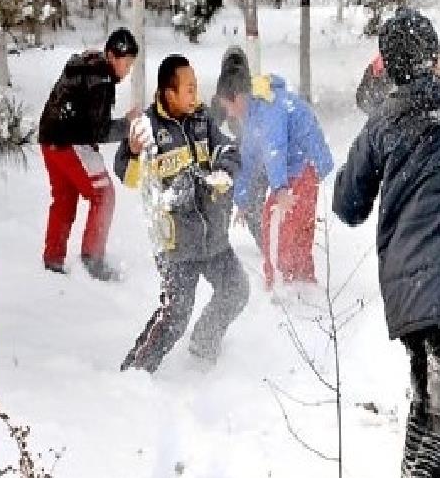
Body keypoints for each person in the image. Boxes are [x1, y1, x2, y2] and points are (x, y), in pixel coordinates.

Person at [332, 7, 440, 478]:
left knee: (429, 404)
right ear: (435, 60)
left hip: (406, 290)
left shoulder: (383, 124)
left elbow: (346, 204)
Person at [115, 55, 249, 372]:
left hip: (212, 235)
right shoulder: (147, 129)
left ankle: (203, 346)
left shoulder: (202, 119)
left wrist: (224, 173)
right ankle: (135, 372)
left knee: (236, 290)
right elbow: (129, 176)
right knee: (176, 313)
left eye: (195, 87)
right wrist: (133, 152)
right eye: (188, 89)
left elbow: (228, 149)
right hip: (175, 244)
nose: (195, 95)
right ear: (168, 92)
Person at [215, 64, 333, 288]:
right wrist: (241, 200)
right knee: (293, 226)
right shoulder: (254, 112)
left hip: (304, 165)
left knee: (277, 224)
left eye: (228, 106)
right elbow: (248, 161)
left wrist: (279, 189)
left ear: (238, 97)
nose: (229, 113)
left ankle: (280, 286)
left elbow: (274, 148)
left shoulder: (268, 107)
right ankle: (301, 280)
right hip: (298, 167)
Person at [38, 27, 141, 280]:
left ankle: (53, 260)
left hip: (49, 139)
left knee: (64, 199)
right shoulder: (102, 80)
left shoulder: (87, 63)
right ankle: (93, 259)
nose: (127, 72)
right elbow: (99, 131)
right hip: (71, 143)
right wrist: (127, 124)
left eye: (130, 65)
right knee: (104, 194)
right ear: (111, 56)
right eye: (125, 64)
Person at [210, 47, 269, 250]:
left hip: (259, 152)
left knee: (252, 203)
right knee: (243, 199)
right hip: (245, 151)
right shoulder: (224, 95)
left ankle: (267, 244)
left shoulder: (252, 91)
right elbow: (210, 130)